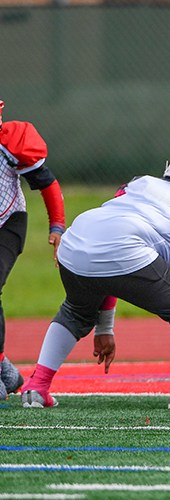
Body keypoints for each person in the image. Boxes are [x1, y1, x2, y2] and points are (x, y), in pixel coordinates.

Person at [20, 141, 170, 411]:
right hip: (122, 248)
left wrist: (104, 327)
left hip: (75, 240)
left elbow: (109, 257)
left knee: (76, 311)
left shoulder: (140, 184)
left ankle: (36, 387)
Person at [0, 99, 65, 400]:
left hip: (7, 221)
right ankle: (4, 368)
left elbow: (47, 183)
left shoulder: (10, 143)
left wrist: (57, 226)